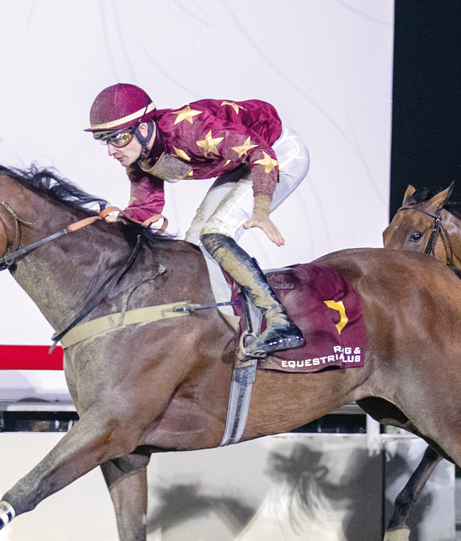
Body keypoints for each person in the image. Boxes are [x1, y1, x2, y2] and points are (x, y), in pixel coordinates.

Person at [86, 83, 310, 357]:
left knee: (216, 233)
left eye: (117, 138)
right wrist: (103, 231)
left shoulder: (190, 131)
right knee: (195, 246)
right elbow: (145, 208)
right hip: (240, 162)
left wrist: (261, 207)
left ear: (142, 129)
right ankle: (217, 325)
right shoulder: (140, 157)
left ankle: (281, 322)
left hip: (277, 153)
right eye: (104, 140)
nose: (111, 150)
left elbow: (260, 153)